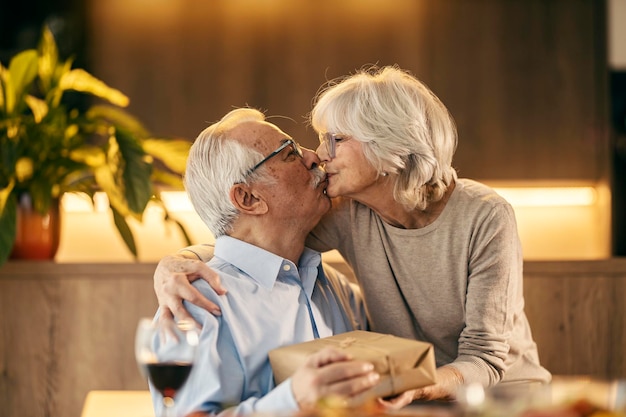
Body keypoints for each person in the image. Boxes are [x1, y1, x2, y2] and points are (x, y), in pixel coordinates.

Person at [153, 66, 552, 406]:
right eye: (295, 151)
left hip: (502, 399)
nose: (318, 155)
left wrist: (412, 387)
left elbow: (486, 357)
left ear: (389, 143)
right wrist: (175, 264)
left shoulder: (484, 215)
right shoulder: (344, 212)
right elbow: (251, 242)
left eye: (336, 140)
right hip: (413, 399)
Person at [148, 107, 381, 417]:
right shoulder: (191, 305)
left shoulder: (337, 288)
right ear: (248, 199)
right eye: (289, 153)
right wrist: (293, 401)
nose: (314, 157)